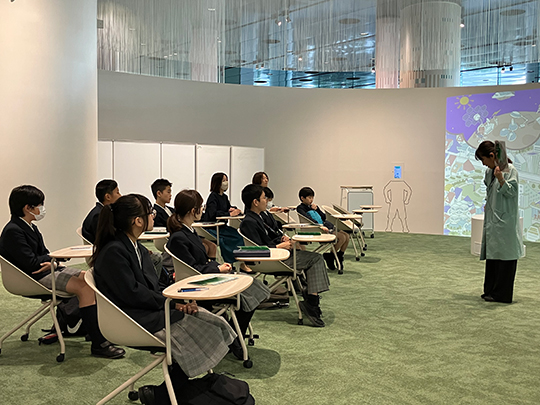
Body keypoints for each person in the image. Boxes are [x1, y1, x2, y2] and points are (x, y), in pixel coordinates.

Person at [90, 194, 236, 403]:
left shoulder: (135, 248)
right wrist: (173, 303)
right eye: (150, 213)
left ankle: (169, 391)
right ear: (137, 221)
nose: (153, 216)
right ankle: (163, 395)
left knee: (213, 321)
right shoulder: (114, 251)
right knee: (204, 328)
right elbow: (133, 294)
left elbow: (154, 286)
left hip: (147, 310)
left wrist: (179, 301)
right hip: (132, 319)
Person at [0, 185, 125, 358]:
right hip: (33, 278)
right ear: (27, 208)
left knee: (91, 278)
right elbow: (32, 264)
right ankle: (98, 343)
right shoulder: (13, 231)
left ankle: (96, 330)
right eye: (39, 205)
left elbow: (43, 255)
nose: (42, 209)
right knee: (85, 287)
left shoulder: (29, 227)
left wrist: (52, 261)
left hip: (46, 271)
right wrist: (52, 260)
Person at [165, 189, 270, 360]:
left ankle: (233, 337)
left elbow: (199, 264)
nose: (203, 210)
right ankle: (234, 339)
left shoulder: (188, 232)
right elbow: (193, 269)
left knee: (253, 287)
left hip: (207, 278)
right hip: (202, 285)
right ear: (193, 210)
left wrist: (217, 266)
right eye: (201, 207)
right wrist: (217, 269)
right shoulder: (180, 237)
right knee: (251, 291)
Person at [239, 184, 330, 327]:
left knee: (313, 258)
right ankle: (312, 303)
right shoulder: (249, 222)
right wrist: (278, 247)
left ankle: (312, 300)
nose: (267, 201)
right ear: (255, 202)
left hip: (277, 255)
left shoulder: (258, 217)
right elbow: (255, 250)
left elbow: (268, 238)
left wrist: (281, 240)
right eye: (264, 198)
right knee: (316, 259)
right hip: (271, 259)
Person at [475, 140, 522, 303]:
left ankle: (502, 294)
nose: (483, 164)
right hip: (493, 220)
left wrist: (501, 178)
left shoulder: (511, 171)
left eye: (483, 160)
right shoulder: (490, 172)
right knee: (493, 257)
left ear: (491, 155)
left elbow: (512, 192)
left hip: (505, 222)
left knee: (505, 259)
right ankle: (490, 290)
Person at [204, 172, 249, 271]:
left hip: (222, 227)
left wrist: (234, 210)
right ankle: (230, 262)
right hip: (213, 227)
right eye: (224, 180)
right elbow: (212, 214)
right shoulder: (213, 197)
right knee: (225, 240)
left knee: (238, 236)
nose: (226, 182)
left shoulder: (224, 197)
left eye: (227, 180)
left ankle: (241, 262)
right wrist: (228, 214)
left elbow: (228, 207)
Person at [297, 187, 350, 270]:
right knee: (342, 237)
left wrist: (317, 209)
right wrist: (320, 226)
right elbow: (308, 219)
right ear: (302, 198)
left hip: (325, 227)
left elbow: (324, 217)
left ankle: (339, 255)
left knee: (347, 236)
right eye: (309, 197)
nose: (311, 200)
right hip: (317, 230)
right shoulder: (300, 208)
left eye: (312, 197)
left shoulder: (313, 207)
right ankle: (332, 256)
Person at [82, 179, 121, 243]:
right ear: (108, 197)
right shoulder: (98, 215)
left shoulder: (100, 211)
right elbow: (105, 239)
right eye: (117, 192)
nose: (120, 195)